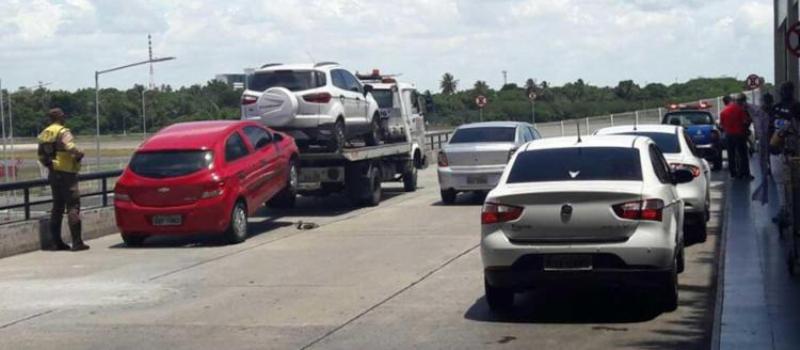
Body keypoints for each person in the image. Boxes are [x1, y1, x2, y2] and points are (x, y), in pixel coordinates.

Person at [37, 108, 89, 251]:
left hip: (53, 173)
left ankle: (56, 243)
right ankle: (77, 242)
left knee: (57, 208)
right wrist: (79, 154)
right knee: (73, 207)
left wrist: (50, 165)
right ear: (60, 117)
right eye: (63, 115)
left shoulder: (44, 133)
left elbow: (41, 156)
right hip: (67, 173)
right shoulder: (63, 131)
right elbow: (70, 146)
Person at [769, 82, 800, 225]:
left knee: (781, 183)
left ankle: (785, 210)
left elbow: (769, 130)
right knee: (788, 183)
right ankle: (788, 211)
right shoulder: (796, 107)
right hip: (790, 151)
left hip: (779, 150)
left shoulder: (776, 108)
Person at [720, 94, 753, 180]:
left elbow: (722, 125)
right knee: (743, 155)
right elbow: (745, 121)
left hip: (729, 135)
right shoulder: (740, 109)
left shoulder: (723, 112)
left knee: (731, 155)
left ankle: (733, 174)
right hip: (740, 134)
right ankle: (745, 173)